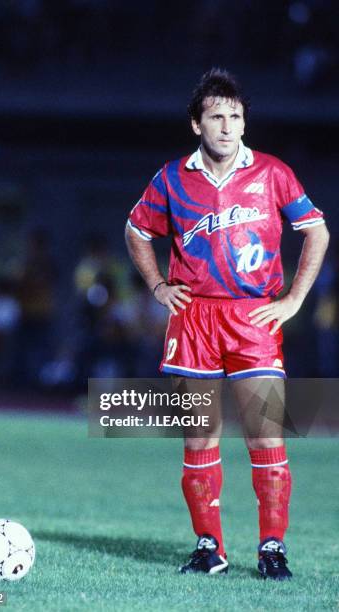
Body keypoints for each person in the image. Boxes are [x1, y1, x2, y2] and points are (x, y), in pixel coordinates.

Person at [125, 68, 329, 580]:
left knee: (266, 437)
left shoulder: (273, 173)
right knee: (198, 440)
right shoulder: (172, 177)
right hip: (192, 319)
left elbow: (317, 231)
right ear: (196, 123)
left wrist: (294, 300)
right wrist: (157, 286)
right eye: (216, 116)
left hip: (253, 318)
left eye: (235, 116)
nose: (227, 126)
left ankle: (272, 548)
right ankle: (209, 546)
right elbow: (135, 229)